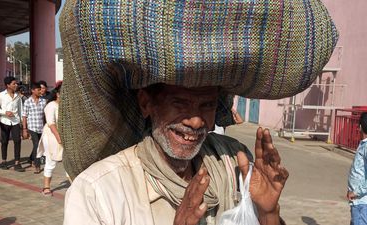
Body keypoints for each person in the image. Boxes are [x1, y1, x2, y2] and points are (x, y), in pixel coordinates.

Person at [60, 0, 338, 224]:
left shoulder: (232, 162)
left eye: (206, 105)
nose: (195, 121)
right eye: (179, 104)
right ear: (146, 103)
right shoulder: (99, 190)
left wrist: (268, 214)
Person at [37, 82, 63, 196]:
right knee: (51, 160)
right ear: (57, 94)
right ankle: (46, 187)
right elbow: (51, 123)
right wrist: (58, 138)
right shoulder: (51, 106)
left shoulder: (65, 106)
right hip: (51, 135)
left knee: (68, 161)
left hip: (63, 135)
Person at [0, 76, 25, 172]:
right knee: (4, 141)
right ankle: (4, 161)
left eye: (16, 83)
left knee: (17, 141)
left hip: (15, 121)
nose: (16, 85)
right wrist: (5, 112)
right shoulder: (0, 95)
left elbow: (21, 111)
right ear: (8, 85)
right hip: (4, 121)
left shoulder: (18, 97)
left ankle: (17, 163)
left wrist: (22, 125)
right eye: (14, 84)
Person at [22, 82, 46, 174]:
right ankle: (37, 165)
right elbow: (24, 116)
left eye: (41, 89)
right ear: (33, 90)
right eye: (38, 89)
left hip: (41, 128)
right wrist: (24, 129)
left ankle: (31, 159)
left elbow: (45, 115)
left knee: (39, 146)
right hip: (32, 127)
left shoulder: (43, 101)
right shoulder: (27, 102)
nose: (40, 91)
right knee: (36, 145)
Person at [347, 112, 367, 225]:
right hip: (356, 200)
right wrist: (351, 189)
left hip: (361, 201)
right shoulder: (363, 144)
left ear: (360, 127)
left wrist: (356, 192)